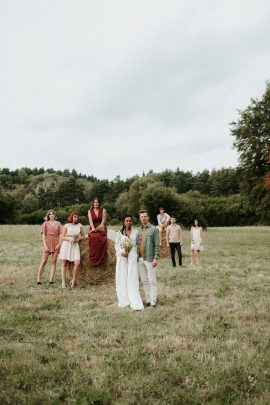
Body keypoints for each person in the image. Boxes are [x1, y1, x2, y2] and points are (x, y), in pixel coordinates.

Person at [115, 215, 144, 311]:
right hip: (122, 258)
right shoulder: (120, 233)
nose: (128, 222)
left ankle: (134, 299)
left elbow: (137, 245)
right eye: (126, 221)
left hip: (131, 258)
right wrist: (122, 253)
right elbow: (116, 246)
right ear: (124, 222)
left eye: (130, 221)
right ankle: (124, 300)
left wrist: (134, 254)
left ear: (132, 222)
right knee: (122, 277)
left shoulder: (135, 233)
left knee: (132, 278)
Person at [137, 210, 160, 307]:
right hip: (140, 259)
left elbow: (157, 244)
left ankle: (153, 300)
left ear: (148, 217)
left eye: (145, 216)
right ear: (140, 218)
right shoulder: (138, 230)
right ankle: (148, 300)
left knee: (152, 280)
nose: (143, 218)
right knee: (145, 281)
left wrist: (156, 258)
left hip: (150, 259)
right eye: (142, 217)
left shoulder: (154, 229)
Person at [59, 212, 85, 288]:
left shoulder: (80, 226)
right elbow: (62, 237)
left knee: (77, 263)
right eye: (74, 217)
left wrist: (78, 239)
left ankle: (73, 280)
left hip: (75, 245)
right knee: (64, 263)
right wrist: (69, 238)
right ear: (71, 217)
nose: (76, 218)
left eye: (77, 217)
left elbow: (83, 236)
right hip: (66, 244)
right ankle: (63, 282)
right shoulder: (67, 225)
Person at [37, 210, 62, 285]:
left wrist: (59, 244)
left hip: (56, 242)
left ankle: (51, 279)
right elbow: (43, 235)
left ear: (55, 215)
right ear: (48, 216)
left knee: (54, 261)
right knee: (44, 261)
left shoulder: (58, 223)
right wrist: (45, 245)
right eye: (50, 214)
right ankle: (38, 279)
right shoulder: (45, 223)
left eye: (53, 214)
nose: (51, 215)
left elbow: (61, 234)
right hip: (47, 242)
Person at [88, 197, 107, 266]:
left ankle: (101, 259)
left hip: (101, 227)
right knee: (93, 237)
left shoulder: (103, 210)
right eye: (94, 202)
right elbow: (90, 221)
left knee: (101, 238)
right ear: (93, 203)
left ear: (99, 203)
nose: (96, 203)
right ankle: (94, 260)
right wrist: (93, 228)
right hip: (93, 227)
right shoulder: (90, 211)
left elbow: (103, 222)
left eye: (97, 202)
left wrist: (98, 229)